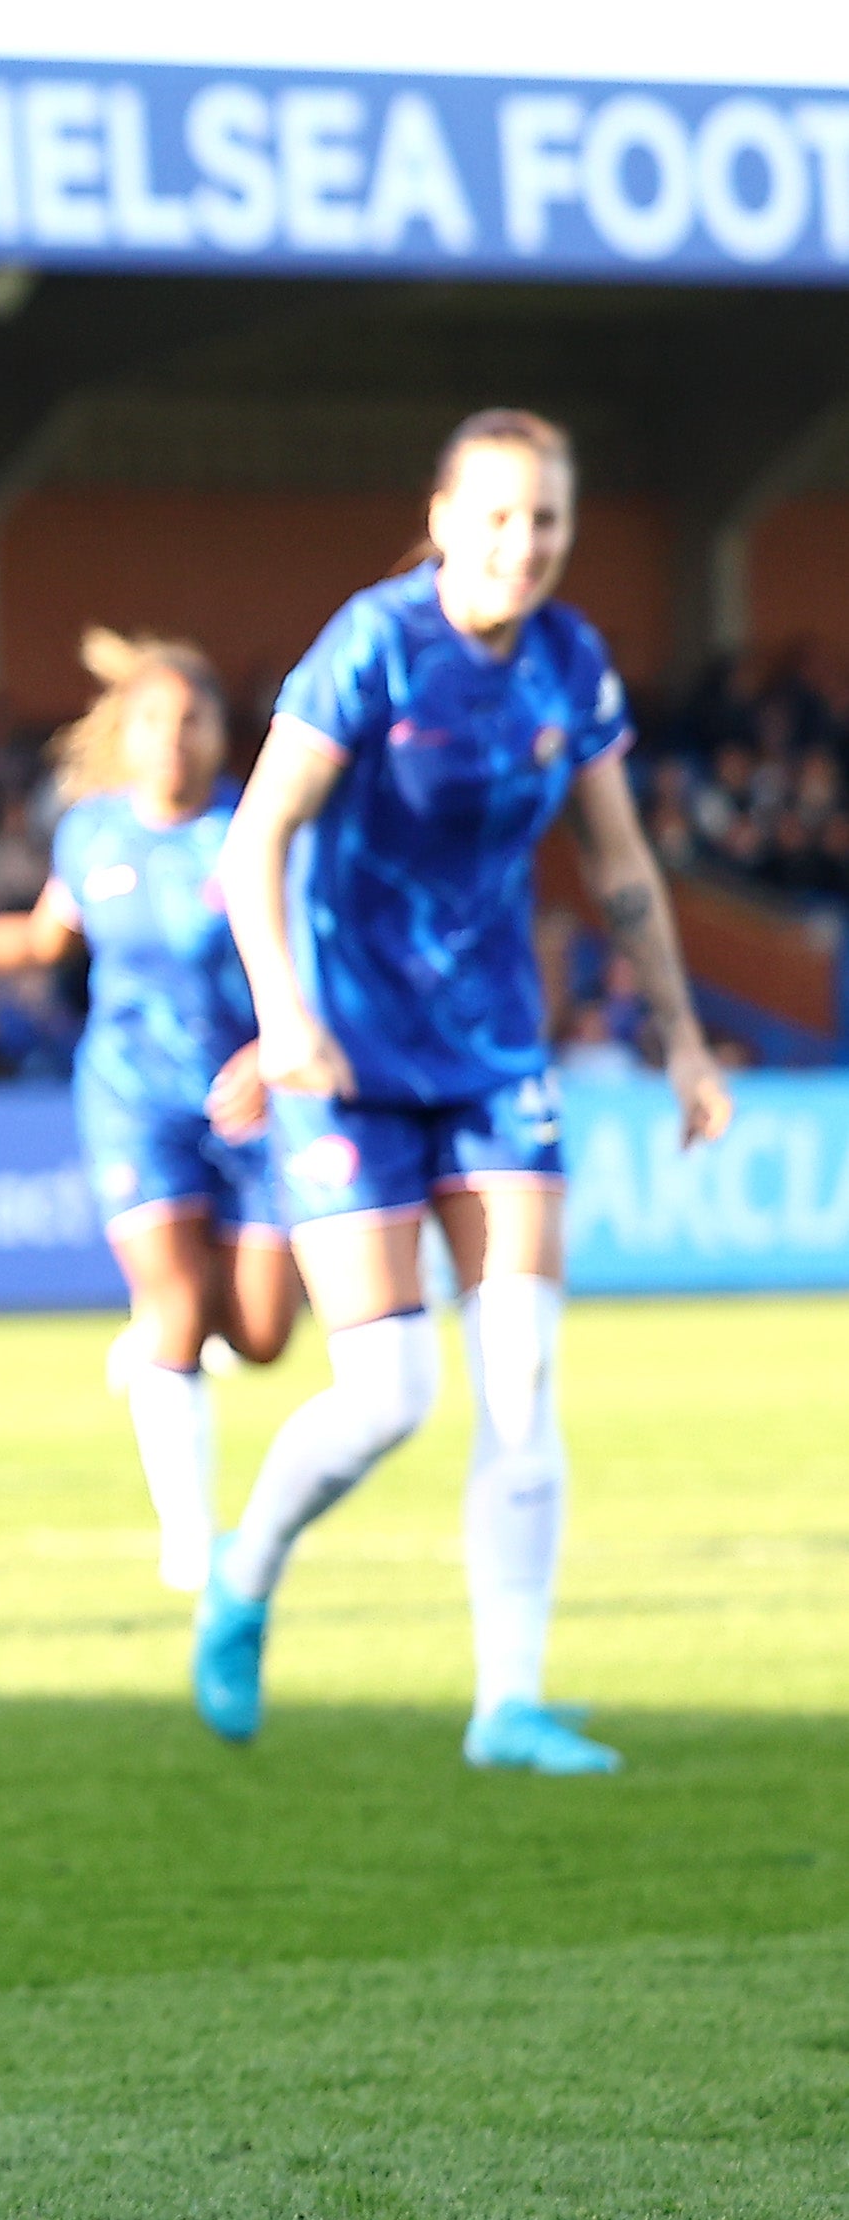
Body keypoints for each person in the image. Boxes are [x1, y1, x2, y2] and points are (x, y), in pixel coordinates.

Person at [191, 411, 730, 1771]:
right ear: (441, 520)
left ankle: (508, 1702)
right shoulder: (374, 644)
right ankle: (244, 1575)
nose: (523, 545)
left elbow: (618, 865)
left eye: (545, 520)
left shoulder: (570, 660)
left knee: (525, 1377)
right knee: (385, 1398)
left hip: (494, 1056)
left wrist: (680, 1036)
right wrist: (285, 1017)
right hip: (348, 1064)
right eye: (496, 517)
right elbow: (254, 842)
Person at [0, 632, 295, 1590]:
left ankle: (168, 1346)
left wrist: (278, 1050)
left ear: (218, 733)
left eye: (190, 718)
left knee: (262, 1335)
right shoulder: (91, 833)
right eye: (151, 719)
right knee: (170, 1301)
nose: (170, 737)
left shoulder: (256, 830)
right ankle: (191, 1543)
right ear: (123, 733)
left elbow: (318, 957)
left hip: (249, 1097)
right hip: (131, 1095)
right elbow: (43, 940)